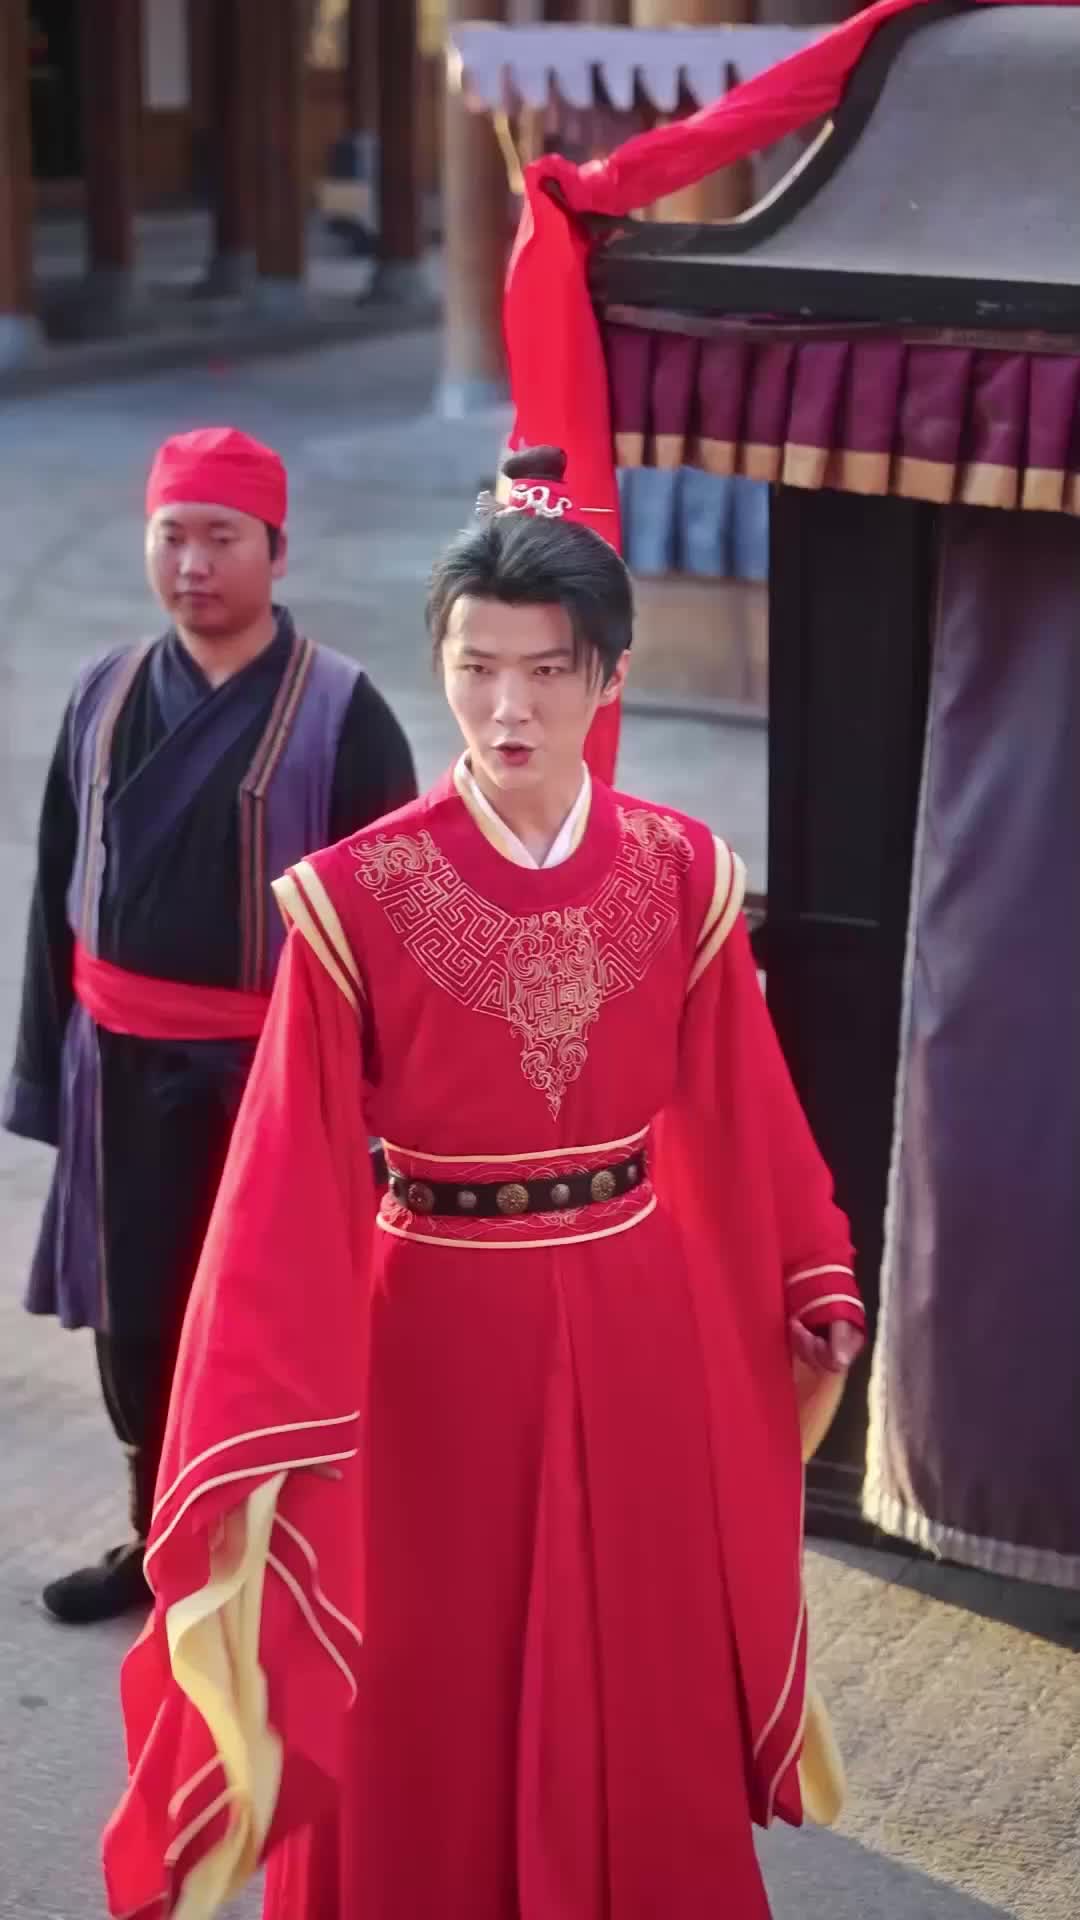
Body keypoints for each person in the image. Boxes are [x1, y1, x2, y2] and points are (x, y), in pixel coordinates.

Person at [103, 447, 865, 1919]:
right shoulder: (354, 897)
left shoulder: (684, 875)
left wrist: (809, 1263)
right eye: (476, 668)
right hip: (429, 1342)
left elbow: (746, 1110)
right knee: (425, 1674)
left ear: (610, 677)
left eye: (548, 671)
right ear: (440, 667)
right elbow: (282, 1180)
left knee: (636, 1649)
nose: (509, 707)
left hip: (635, 1322)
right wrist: (257, 1404)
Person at [3, 426, 417, 1627]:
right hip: (118, 1063)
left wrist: (379, 1112)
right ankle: (159, 1539)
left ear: (276, 553)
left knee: (264, 1316)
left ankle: (277, 1560)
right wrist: (44, 1072)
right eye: (171, 535)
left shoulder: (342, 712)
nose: (193, 563)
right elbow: (55, 888)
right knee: (136, 1315)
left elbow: (390, 928)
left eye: (222, 537)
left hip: (269, 1075)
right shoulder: (102, 692)